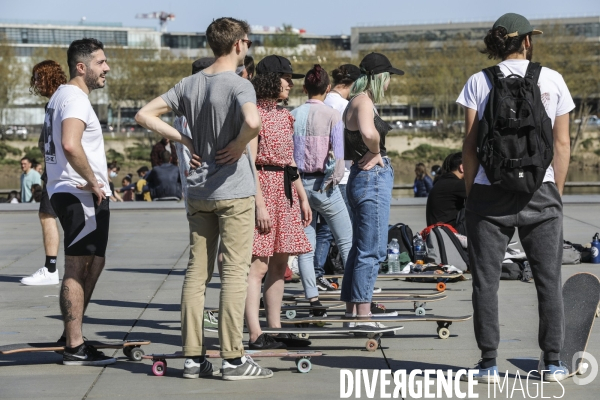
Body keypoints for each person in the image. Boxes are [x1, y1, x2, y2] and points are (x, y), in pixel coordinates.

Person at [135, 17, 273, 380]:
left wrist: (182, 140)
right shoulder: (240, 85)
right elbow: (254, 122)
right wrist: (240, 144)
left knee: (196, 275)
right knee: (234, 274)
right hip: (234, 190)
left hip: (198, 191)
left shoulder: (188, 84)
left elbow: (144, 114)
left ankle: (194, 358)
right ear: (240, 44)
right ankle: (232, 359)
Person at [457, 13, 574, 382]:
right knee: (548, 280)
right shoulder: (552, 79)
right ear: (526, 41)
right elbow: (562, 144)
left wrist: (472, 191)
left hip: (490, 195)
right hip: (541, 192)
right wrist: (555, 190)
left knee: (486, 282)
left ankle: (489, 362)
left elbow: (470, 147)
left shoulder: (479, 81)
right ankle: (553, 361)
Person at [45, 38, 115, 365]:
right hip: (79, 193)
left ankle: (73, 331)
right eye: (101, 63)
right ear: (81, 67)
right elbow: (70, 145)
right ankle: (74, 345)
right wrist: (91, 181)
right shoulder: (75, 99)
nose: (107, 68)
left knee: (95, 260)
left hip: (74, 192)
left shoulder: (61, 96)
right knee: (76, 266)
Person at [245, 56, 312, 350]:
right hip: (262, 188)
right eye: (286, 77)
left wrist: (303, 195)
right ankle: (255, 333)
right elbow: (249, 162)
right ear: (271, 79)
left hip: (284, 192)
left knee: (281, 263)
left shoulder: (286, 116)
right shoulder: (253, 113)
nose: (291, 83)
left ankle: (275, 328)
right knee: (257, 267)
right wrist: (259, 204)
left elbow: (290, 161)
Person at [340, 52, 401, 328]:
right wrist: (376, 150)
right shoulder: (364, 101)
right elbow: (367, 132)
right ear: (379, 77)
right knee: (372, 250)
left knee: (359, 248)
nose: (389, 83)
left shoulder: (353, 100)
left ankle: (353, 311)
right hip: (371, 178)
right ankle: (364, 315)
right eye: (388, 78)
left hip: (360, 177)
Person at [291, 63, 352, 302]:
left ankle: (312, 297)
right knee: (346, 240)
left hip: (299, 187)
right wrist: (333, 181)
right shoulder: (332, 115)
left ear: (305, 87)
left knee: (306, 247)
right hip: (323, 186)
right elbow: (338, 157)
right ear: (328, 88)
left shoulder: (293, 115)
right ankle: (353, 296)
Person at [313, 64, 362, 292]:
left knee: (323, 229)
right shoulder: (345, 106)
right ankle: (355, 281)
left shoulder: (323, 100)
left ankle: (316, 274)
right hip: (341, 175)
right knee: (345, 232)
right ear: (353, 83)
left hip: (319, 173)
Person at [21, 60, 67, 286]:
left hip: (62, 170)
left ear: (50, 76)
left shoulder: (61, 100)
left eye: (39, 78)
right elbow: (44, 139)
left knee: (49, 216)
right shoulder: (52, 103)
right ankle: (53, 268)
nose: (36, 83)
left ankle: (51, 270)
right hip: (54, 169)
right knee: (48, 215)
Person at [425, 152, 466, 227]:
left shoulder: (444, 181)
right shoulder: (457, 185)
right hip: (448, 233)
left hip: (438, 232)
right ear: (462, 168)